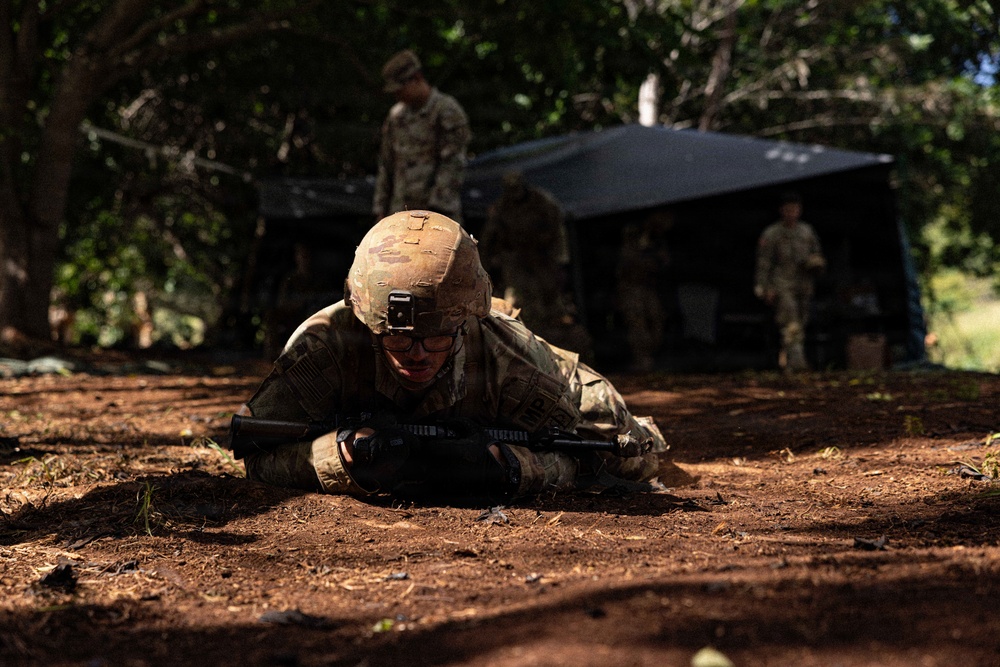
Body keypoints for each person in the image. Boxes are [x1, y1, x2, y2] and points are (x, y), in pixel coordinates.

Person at [236, 210, 675, 504]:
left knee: (632, 449)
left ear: (464, 323)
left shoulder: (515, 362)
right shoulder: (323, 347)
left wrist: (510, 469)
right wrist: (342, 458)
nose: (418, 354)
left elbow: (621, 459)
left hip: (552, 395)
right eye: (398, 339)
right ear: (369, 324)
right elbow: (255, 456)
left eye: (437, 336)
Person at [477, 171, 591, 356]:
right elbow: (489, 236)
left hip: (543, 258)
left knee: (552, 304)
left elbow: (558, 232)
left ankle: (560, 351)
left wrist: (560, 262)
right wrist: (485, 266)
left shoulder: (543, 202)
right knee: (518, 303)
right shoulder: (502, 206)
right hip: (515, 259)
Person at [372, 50, 471, 223]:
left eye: (401, 90)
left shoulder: (446, 111)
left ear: (417, 78)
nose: (397, 96)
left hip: (438, 215)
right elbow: (387, 164)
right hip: (400, 214)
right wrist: (381, 209)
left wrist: (434, 211)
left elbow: (453, 164)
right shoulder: (396, 116)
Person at [754, 191, 826, 372]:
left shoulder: (806, 232)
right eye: (788, 210)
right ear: (782, 211)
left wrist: (816, 263)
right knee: (790, 323)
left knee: (800, 322)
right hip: (782, 283)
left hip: (803, 284)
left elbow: (816, 254)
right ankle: (798, 364)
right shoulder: (772, 234)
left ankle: (786, 359)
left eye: (794, 209)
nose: (791, 213)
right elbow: (764, 263)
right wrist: (764, 287)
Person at [616, 210, 673, 372]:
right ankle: (641, 359)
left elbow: (665, 261)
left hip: (649, 287)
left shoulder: (658, 239)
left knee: (657, 320)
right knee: (637, 322)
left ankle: (650, 357)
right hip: (631, 287)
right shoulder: (633, 233)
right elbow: (628, 261)